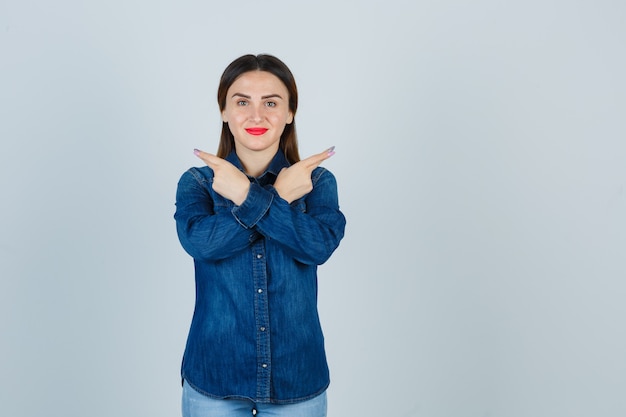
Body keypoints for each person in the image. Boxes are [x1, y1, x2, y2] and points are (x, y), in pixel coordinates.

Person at [174, 54, 346, 417]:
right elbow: (202, 244)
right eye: (241, 102)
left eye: (271, 102)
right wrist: (279, 199)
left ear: (289, 112)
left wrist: (248, 199)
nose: (256, 115)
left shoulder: (316, 183)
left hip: (296, 378)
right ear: (223, 111)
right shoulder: (198, 183)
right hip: (213, 377)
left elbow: (318, 247)